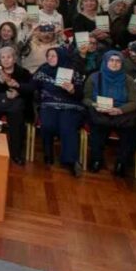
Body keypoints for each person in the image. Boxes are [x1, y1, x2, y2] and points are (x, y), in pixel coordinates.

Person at [83, 50, 136, 176]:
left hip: (122, 112)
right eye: (111, 60)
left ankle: (121, 163)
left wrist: (120, 110)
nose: (114, 64)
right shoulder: (94, 77)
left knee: (131, 132)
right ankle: (96, 160)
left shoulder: (128, 80)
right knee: (97, 130)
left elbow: (135, 102)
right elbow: (86, 98)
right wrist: (94, 105)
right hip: (101, 111)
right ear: (105, 62)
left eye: (118, 61)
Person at [33, 47, 85, 175]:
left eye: (54, 56)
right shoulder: (43, 70)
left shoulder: (73, 72)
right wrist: (17, 86)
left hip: (70, 105)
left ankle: (70, 160)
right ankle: (48, 153)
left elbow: (81, 94)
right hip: (49, 104)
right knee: (48, 124)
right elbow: (31, 86)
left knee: (67, 126)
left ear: (61, 57)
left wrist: (73, 90)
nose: (50, 58)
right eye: (48, 56)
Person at [0, 46, 33, 165]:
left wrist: (17, 91)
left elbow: (30, 90)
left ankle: (15, 154)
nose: (6, 60)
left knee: (17, 122)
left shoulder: (23, 72)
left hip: (14, 104)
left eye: (9, 57)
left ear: (14, 59)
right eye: (3, 57)